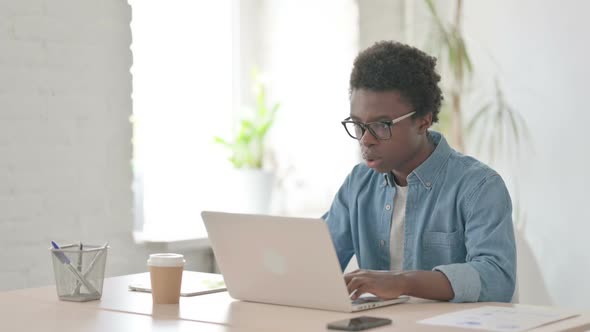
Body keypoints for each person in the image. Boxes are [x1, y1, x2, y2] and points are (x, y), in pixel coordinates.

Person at [323, 41, 516, 303]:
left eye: (381, 125)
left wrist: (403, 283)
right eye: (357, 124)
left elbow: (497, 279)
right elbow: (316, 261)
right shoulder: (358, 184)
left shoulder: (479, 186)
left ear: (423, 121)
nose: (365, 140)